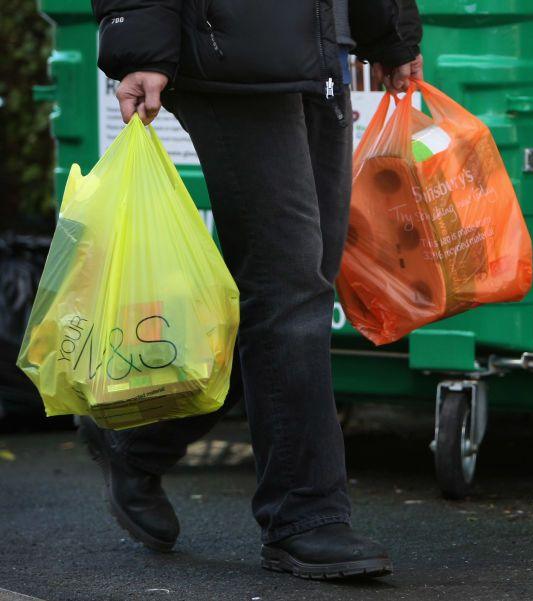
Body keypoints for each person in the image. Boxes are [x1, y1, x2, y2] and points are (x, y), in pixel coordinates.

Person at [81, 0, 422, 580]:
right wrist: (140, 43)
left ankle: (139, 438)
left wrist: (388, 28)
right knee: (287, 290)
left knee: (294, 290)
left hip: (321, 49)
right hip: (228, 46)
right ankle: (305, 517)